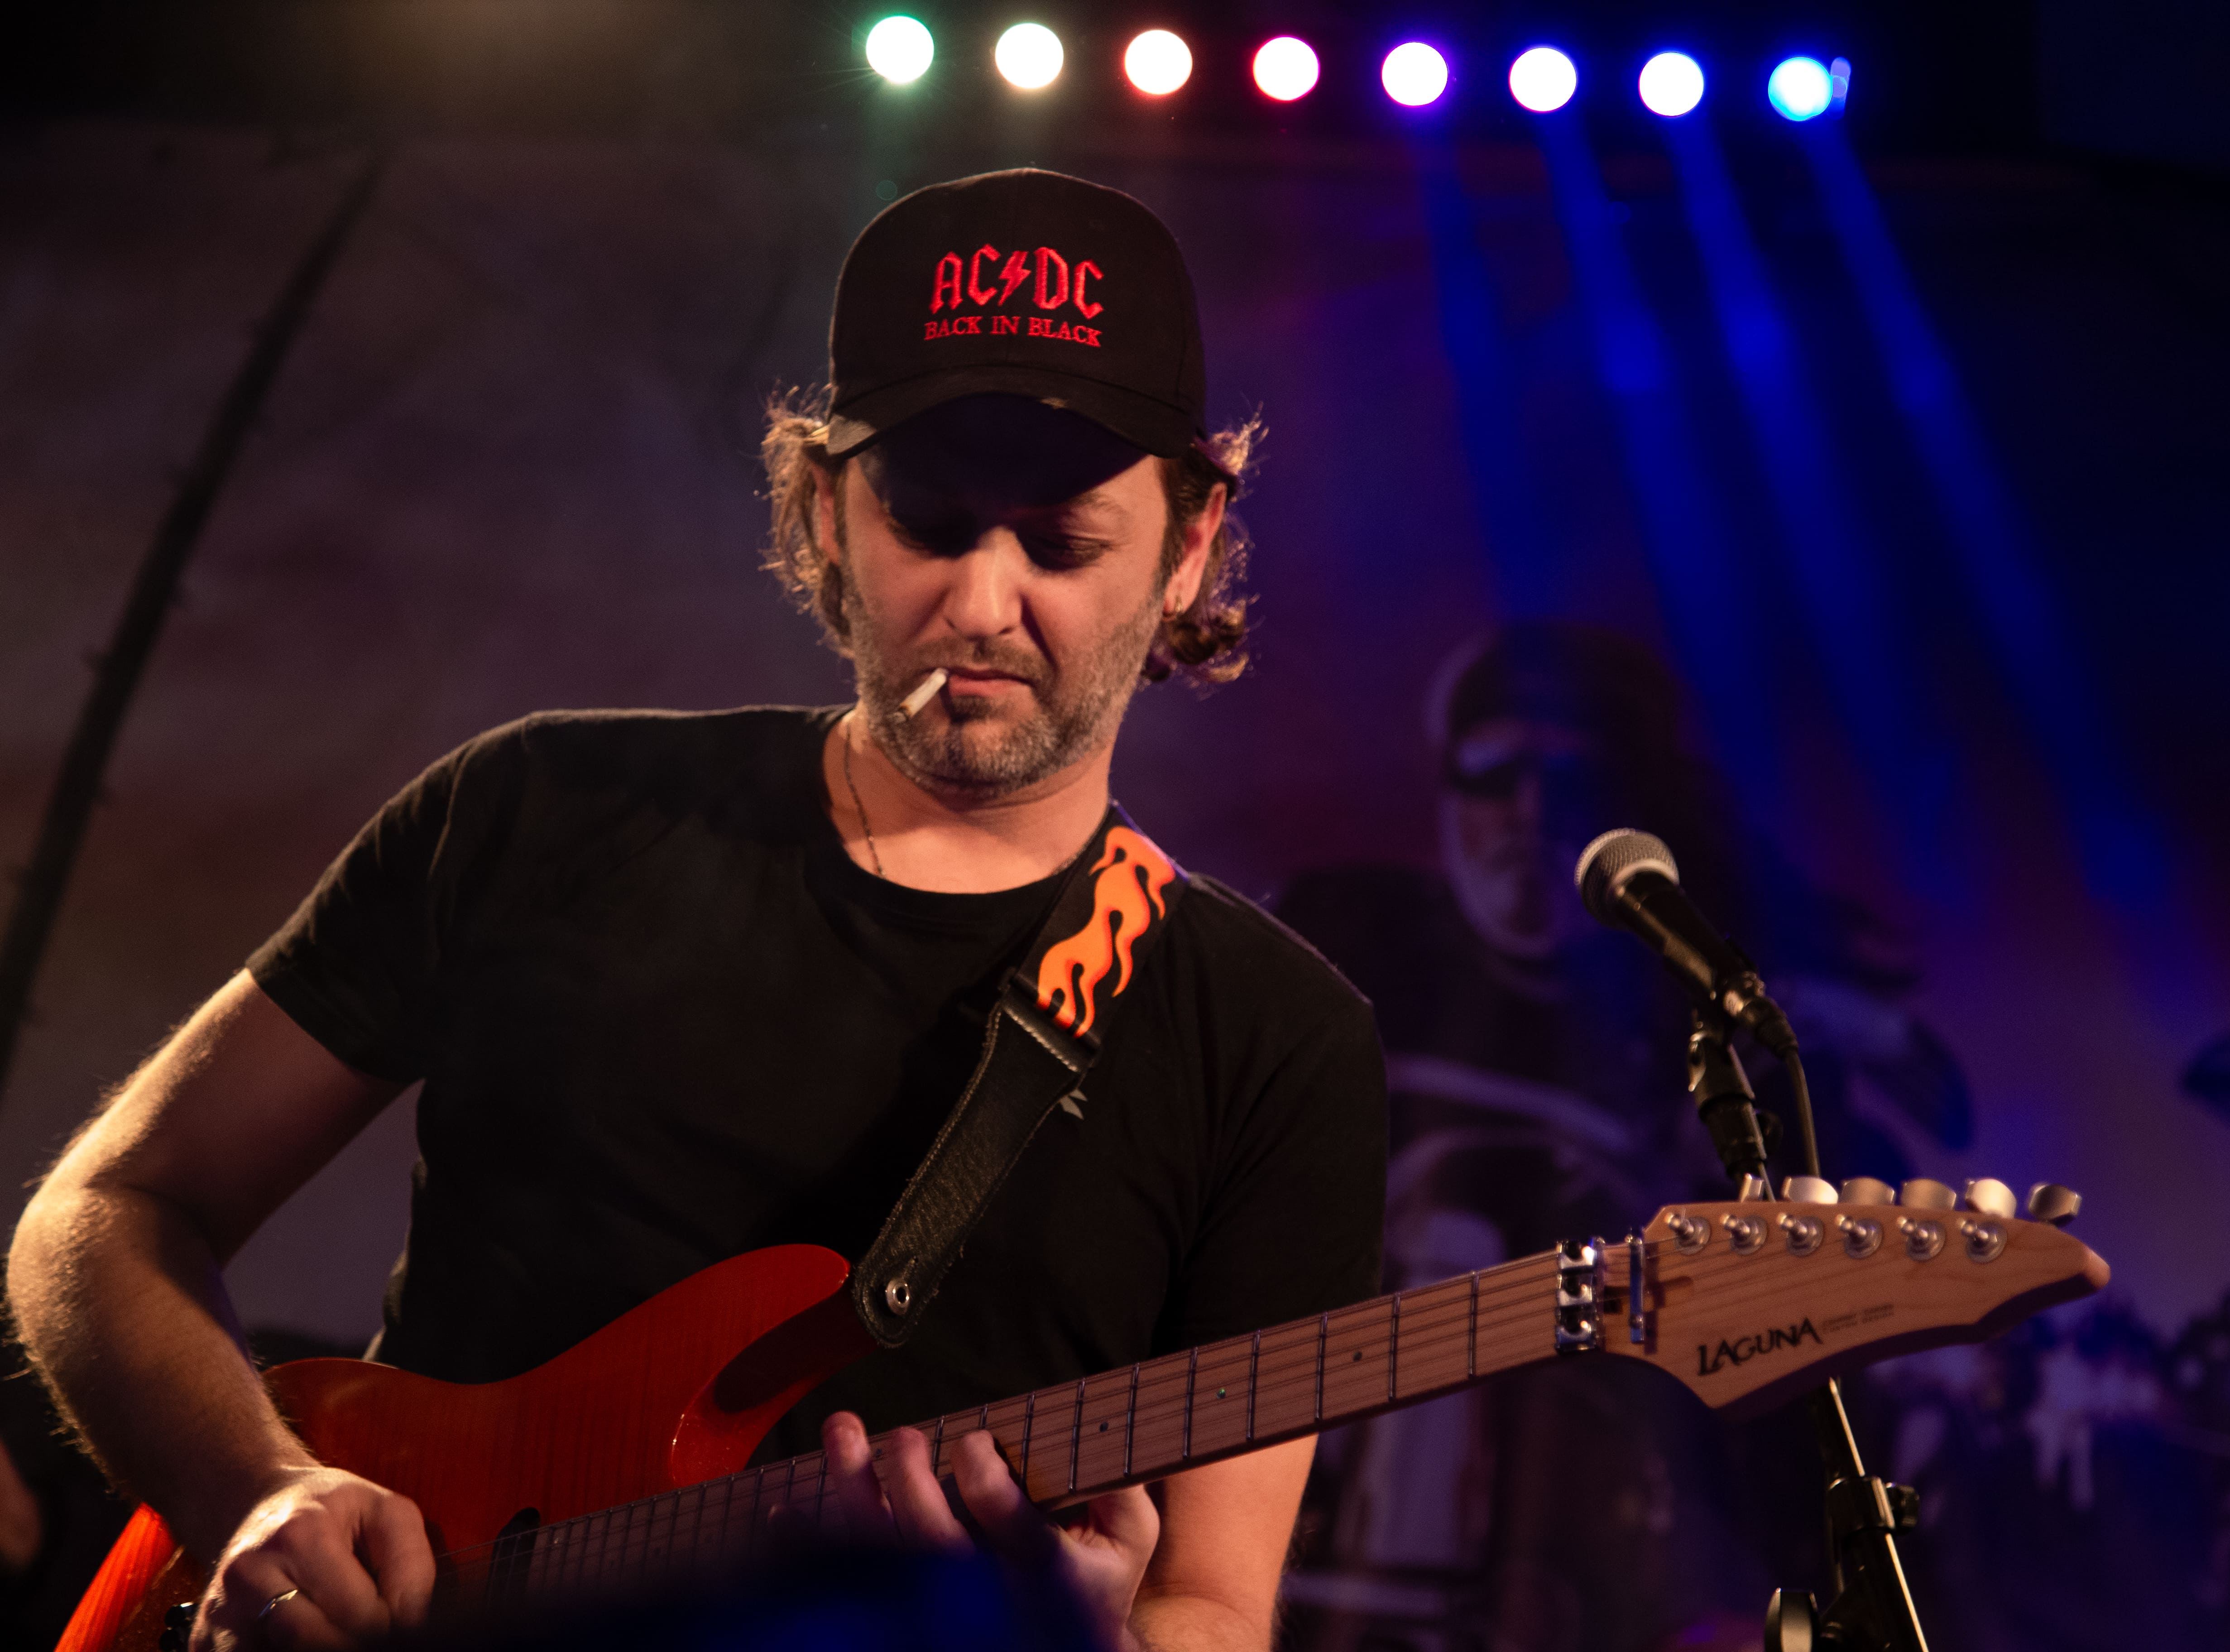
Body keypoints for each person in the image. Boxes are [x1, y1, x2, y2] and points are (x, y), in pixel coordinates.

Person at [6, 169, 1388, 1652]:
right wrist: (253, 1492)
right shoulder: (537, 809)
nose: (985, 601)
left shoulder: (1270, 1041)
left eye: (1059, 543)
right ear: (819, 506)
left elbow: (1212, 1608)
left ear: (1188, 543)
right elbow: (107, 1211)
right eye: (928, 521)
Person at [1273, 621, 1969, 1652]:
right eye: (1492, 772)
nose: (1527, 814)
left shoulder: (1698, 1035)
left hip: (1590, 1567)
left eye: (1570, 784)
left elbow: (1789, 1353)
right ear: (1444, 789)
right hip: (1312, 1523)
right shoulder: (1340, 947)